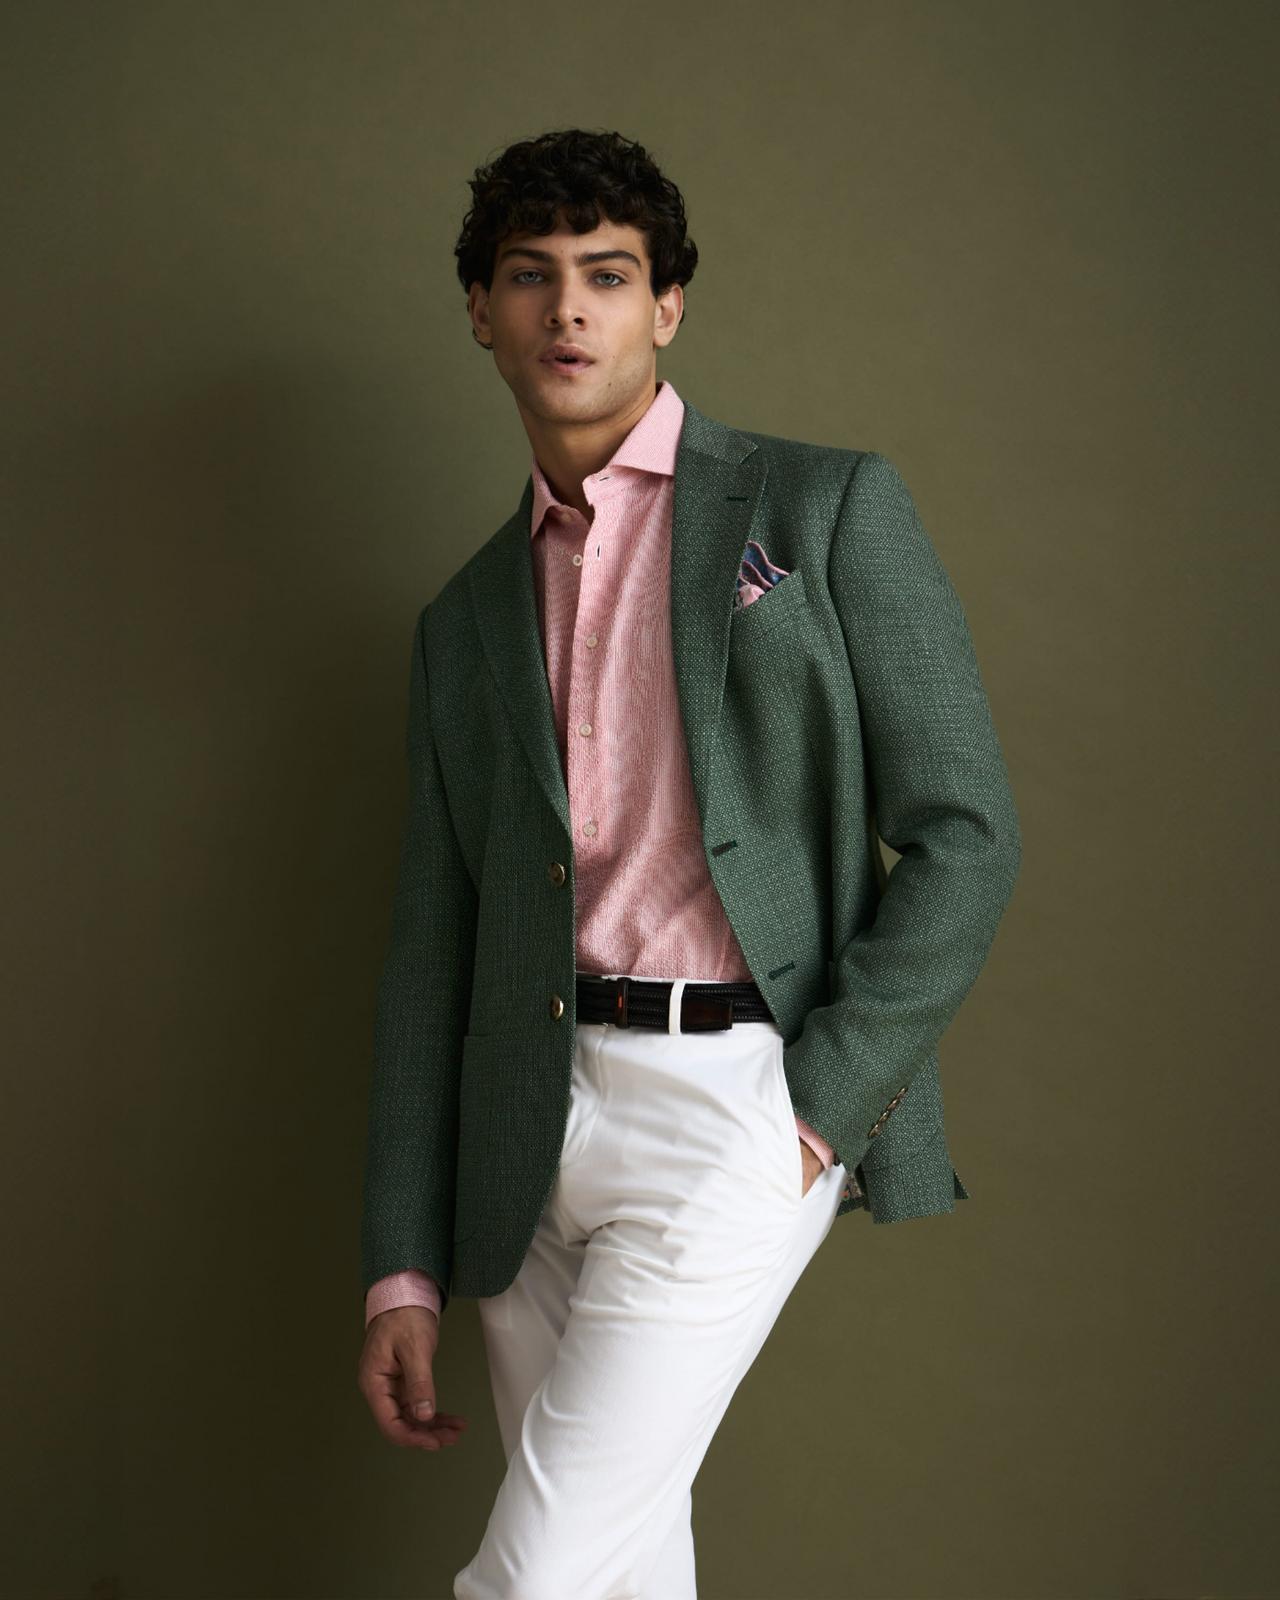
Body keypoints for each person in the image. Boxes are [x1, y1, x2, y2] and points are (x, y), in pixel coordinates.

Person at [355, 127, 1022, 1600]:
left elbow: (969, 831)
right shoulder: (462, 622)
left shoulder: (822, 509)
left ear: (668, 306)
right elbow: (431, 950)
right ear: (480, 312)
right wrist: (401, 1262)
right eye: (530, 276)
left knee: (534, 1579)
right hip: (524, 1141)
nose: (567, 310)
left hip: (734, 1107)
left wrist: (816, 1115)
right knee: (619, 1577)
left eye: (608, 276)